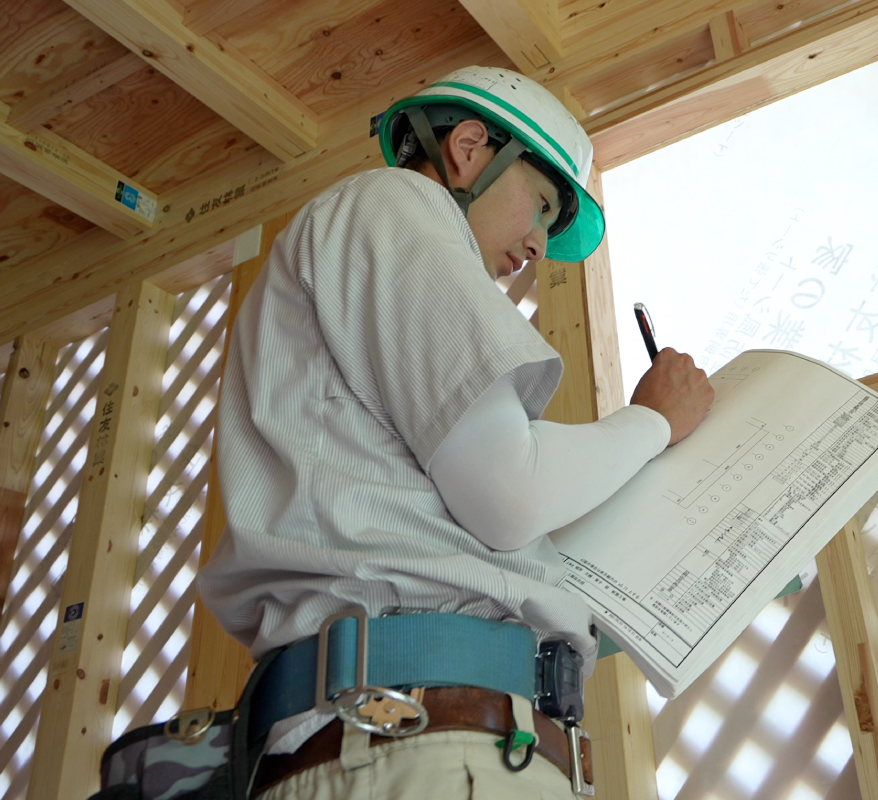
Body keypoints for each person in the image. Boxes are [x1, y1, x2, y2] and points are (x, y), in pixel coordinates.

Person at [197, 65, 714, 798]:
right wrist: (654, 419)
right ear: (470, 148)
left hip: (434, 733)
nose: (538, 243)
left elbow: (486, 546)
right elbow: (510, 494)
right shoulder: (395, 202)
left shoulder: (386, 298)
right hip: (415, 735)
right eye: (539, 204)